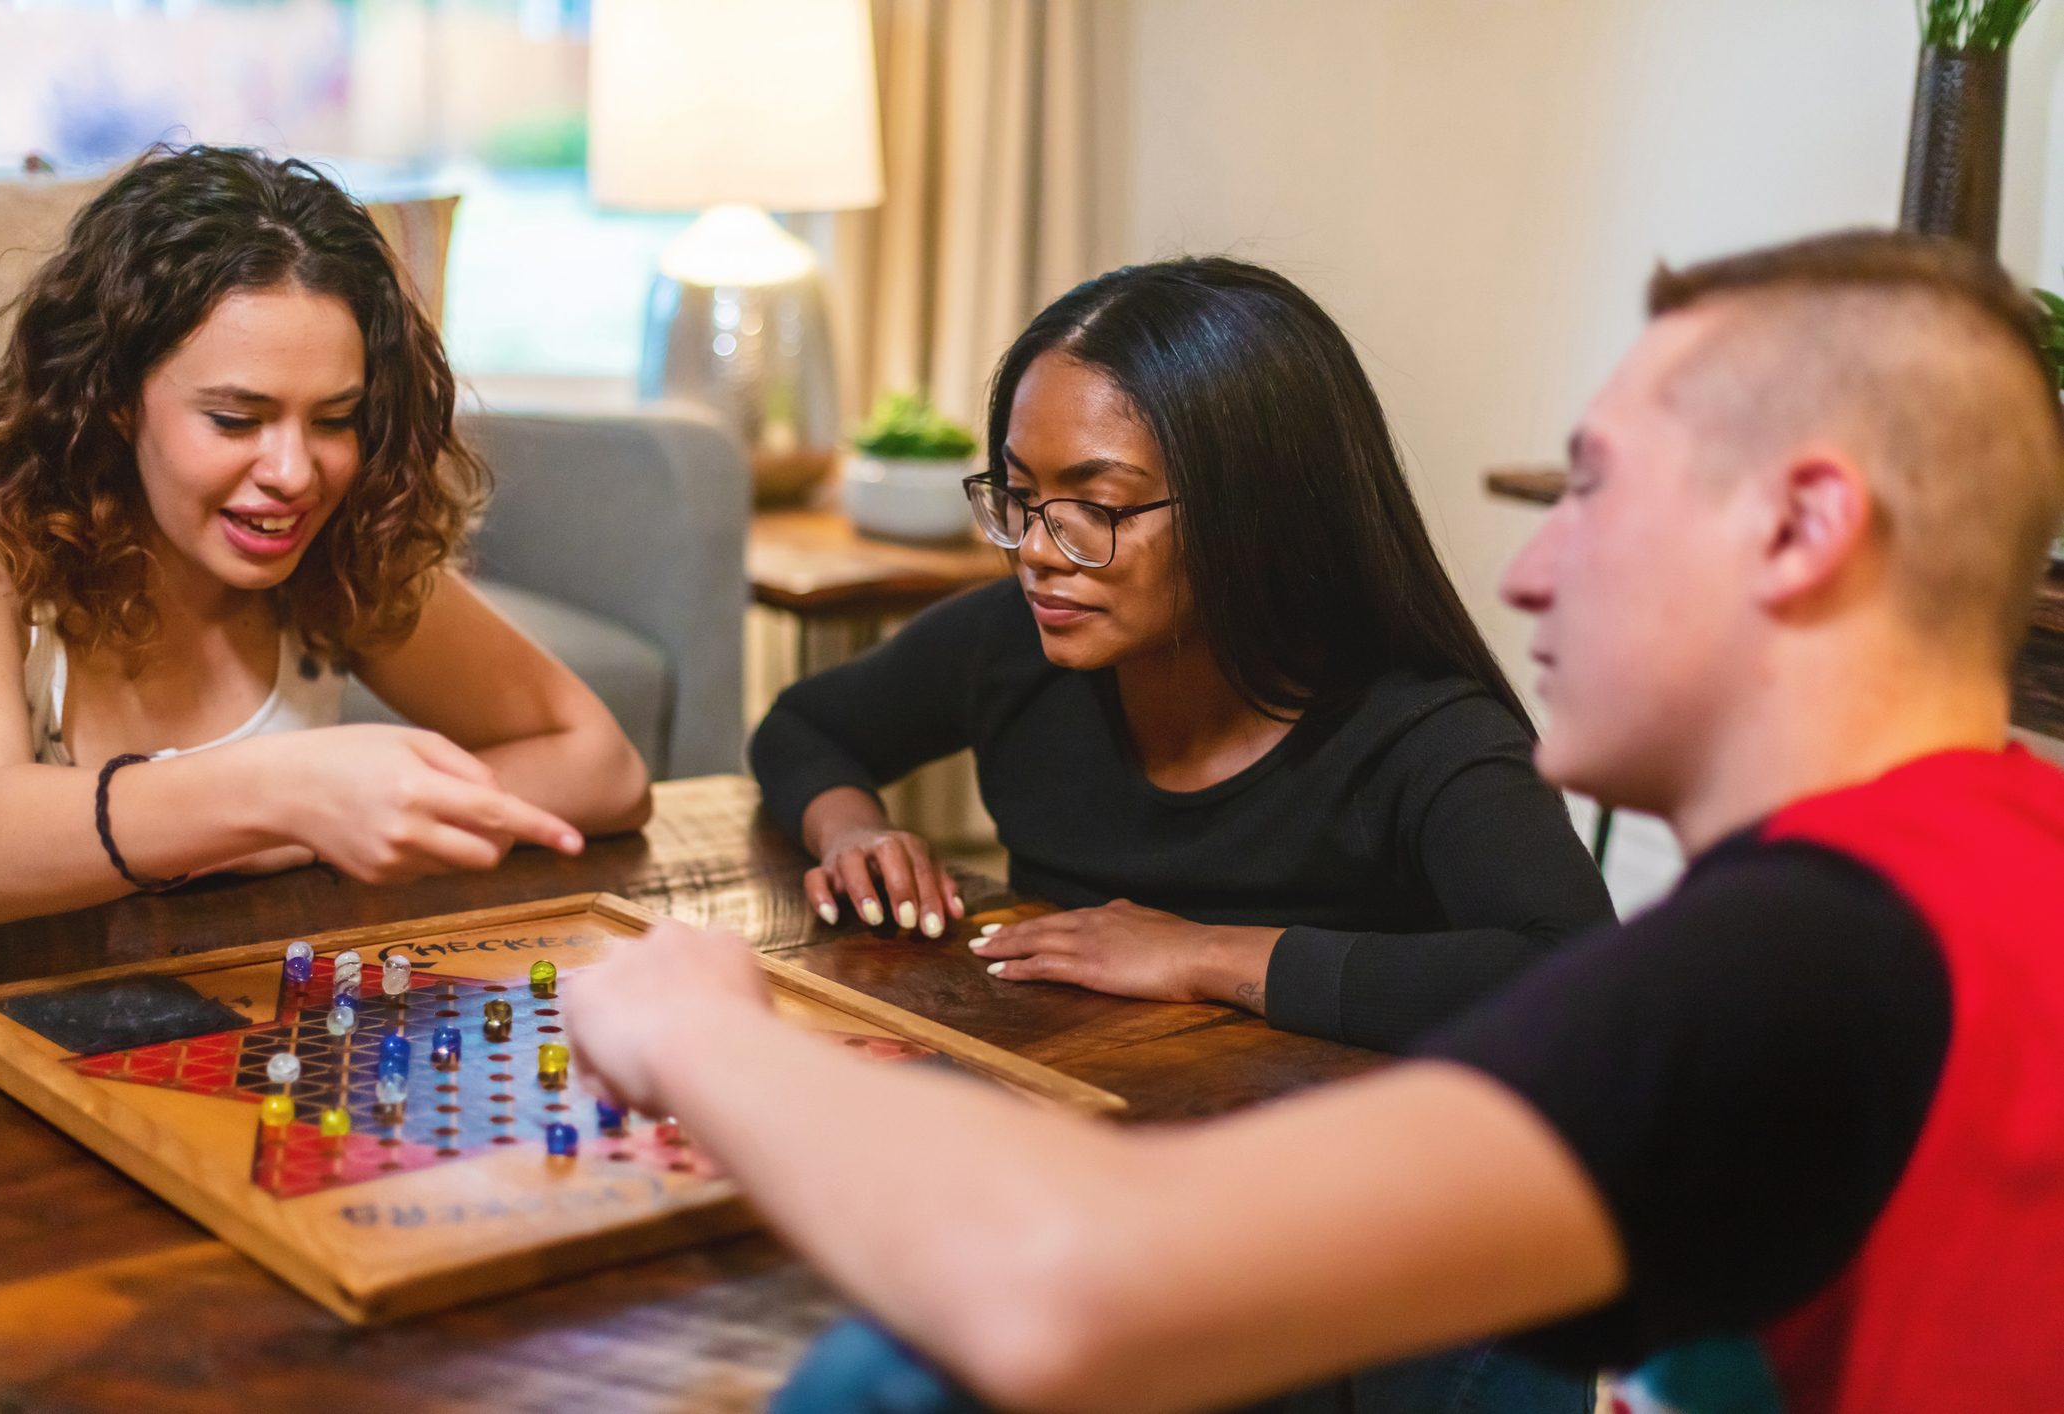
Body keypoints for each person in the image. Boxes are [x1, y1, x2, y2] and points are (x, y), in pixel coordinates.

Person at [565, 229, 2064, 1414]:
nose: (1531, 571)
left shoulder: (1801, 957)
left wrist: (705, 1028)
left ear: (1803, 529)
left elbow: (1064, 1290)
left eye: (1591, 490)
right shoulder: (1984, 870)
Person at [751, 257, 1613, 1051]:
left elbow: (1581, 978)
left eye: (1098, 504)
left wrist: (1203, 955)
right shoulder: (1011, 644)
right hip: (1076, 1102)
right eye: (1018, 494)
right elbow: (805, 727)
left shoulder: (1421, 733)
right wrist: (854, 830)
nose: (1037, 550)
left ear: (1254, 511)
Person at [0, 145, 652, 926]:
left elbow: (604, 767)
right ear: (112, 399)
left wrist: (329, 825)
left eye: (334, 419)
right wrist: (287, 794)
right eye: (235, 420)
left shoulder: (338, 554)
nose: (293, 473)